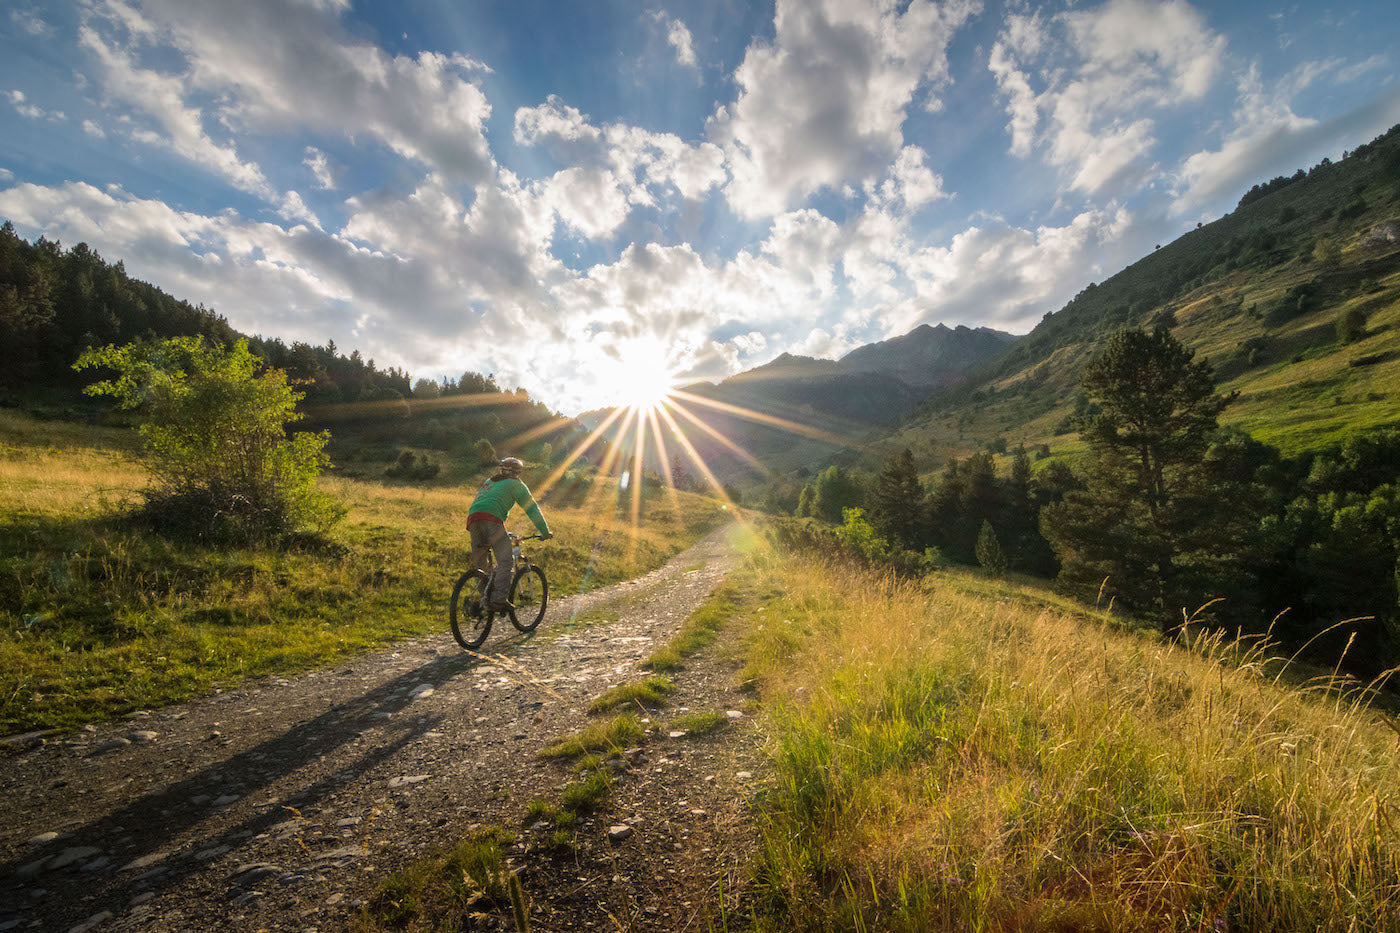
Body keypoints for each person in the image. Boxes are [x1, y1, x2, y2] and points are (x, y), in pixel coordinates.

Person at [467, 457, 552, 611]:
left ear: (501, 469)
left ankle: (483, 600)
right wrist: (545, 532)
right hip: (492, 520)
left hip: (473, 519)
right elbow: (532, 509)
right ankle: (498, 600)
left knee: (482, 565)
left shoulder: (490, 481)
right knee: (506, 561)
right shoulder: (516, 484)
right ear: (518, 472)